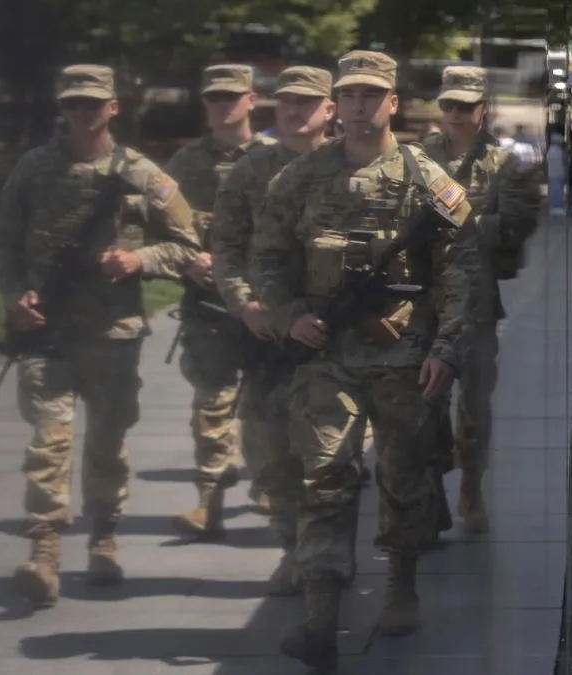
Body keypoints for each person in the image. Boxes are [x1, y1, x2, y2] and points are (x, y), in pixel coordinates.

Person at [249, 49, 477, 671]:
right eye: (349, 94)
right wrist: (287, 315)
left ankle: (400, 584)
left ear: (393, 103)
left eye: (372, 94)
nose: (359, 105)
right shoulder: (299, 178)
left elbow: (460, 269)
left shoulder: (425, 177)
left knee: (403, 472)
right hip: (325, 354)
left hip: (403, 354)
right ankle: (321, 614)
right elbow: (267, 258)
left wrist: (447, 347)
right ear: (335, 104)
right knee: (325, 471)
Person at [0, 64, 201, 607]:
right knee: (48, 442)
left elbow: (189, 244)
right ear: (60, 108)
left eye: (93, 104)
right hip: (49, 333)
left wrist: (139, 259)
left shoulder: (140, 173)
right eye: (73, 104)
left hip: (113, 334)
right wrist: (15, 296)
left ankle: (104, 538)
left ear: (113, 108)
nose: (83, 113)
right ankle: (43, 552)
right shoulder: (34, 169)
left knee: (107, 446)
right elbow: (7, 244)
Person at [209, 65, 365, 597]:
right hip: (270, 338)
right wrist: (245, 304)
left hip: (337, 336)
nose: (294, 110)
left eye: (307, 102)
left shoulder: (353, 165)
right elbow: (226, 248)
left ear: (330, 109)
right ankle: (293, 547)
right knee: (267, 452)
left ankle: (328, 557)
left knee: (332, 457)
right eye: (287, 102)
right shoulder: (251, 169)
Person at [420, 65, 541, 534]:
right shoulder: (415, 159)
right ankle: (430, 492)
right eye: (448, 104)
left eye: (465, 105)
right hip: (421, 302)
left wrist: (451, 227)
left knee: (474, 406)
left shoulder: (504, 163)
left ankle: (471, 488)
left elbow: (515, 227)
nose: (455, 113)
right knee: (422, 404)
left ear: (482, 109)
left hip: (476, 301)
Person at [164, 64, 275, 538]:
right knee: (212, 405)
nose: (224, 105)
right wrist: (186, 260)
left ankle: (271, 484)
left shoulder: (275, 158)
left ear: (251, 100)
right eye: (215, 97)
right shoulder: (184, 163)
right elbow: (156, 226)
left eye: (233, 96)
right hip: (210, 305)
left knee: (266, 407)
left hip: (265, 303)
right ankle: (209, 503)